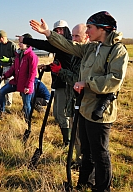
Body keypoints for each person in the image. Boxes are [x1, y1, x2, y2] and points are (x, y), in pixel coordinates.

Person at [29, 11, 128, 192]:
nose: (87, 31)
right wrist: (48, 34)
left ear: (102, 28)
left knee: (100, 154)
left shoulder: (117, 51)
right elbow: (68, 45)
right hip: (83, 107)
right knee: (86, 151)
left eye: (89, 27)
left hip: (99, 112)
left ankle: (102, 188)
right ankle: (84, 184)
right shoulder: (91, 47)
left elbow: (115, 79)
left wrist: (87, 83)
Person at [18, 20, 73, 146]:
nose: (58, 32)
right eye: (56, 30)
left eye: (61, 30)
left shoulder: (67, 44)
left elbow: (46, 46)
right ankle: (67, 139)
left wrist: (26, 40)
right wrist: (48, 67)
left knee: (62, 114)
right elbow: (61, 62)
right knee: (58, 114)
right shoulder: (60, 46)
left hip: (66, 84)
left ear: (66, 31)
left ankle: (68, 141)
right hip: (58, 83)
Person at [51, 23, 89, 169]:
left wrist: (61, 71)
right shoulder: (76, 53)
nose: (73, 39)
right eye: (72, 36)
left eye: (76, 36)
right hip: (73, 99)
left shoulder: (85, 55)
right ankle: (79, 161)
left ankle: (83, 164)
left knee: (80, 135)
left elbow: (77, 80)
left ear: (86, 36)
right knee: (76, 133)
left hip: (82, 101)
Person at [0, 33, 38, 121]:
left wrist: (28, 86)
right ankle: (1, 113)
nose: (19, 44)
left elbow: (32, 73)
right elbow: (13, 69)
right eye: (19, 42)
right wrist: (4, 76)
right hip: (16, 82)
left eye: (21, 43)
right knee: (2, 91)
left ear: (27, 44)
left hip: (25, 85)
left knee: (26, 104)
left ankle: (28, 121)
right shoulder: (18, 55)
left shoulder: (32, 56)